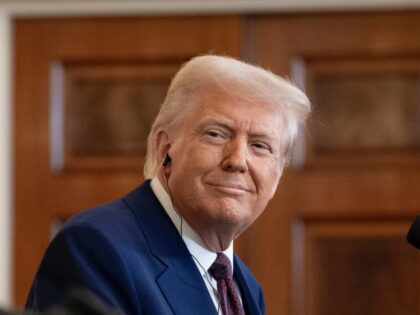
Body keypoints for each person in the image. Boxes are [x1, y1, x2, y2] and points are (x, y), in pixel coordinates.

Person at [25, 55, 310, 315]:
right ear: (165, 148)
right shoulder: (96, 248)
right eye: (216, 134)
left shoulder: (244, 286)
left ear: (276, 177)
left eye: (260, 146)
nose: (237, 160)